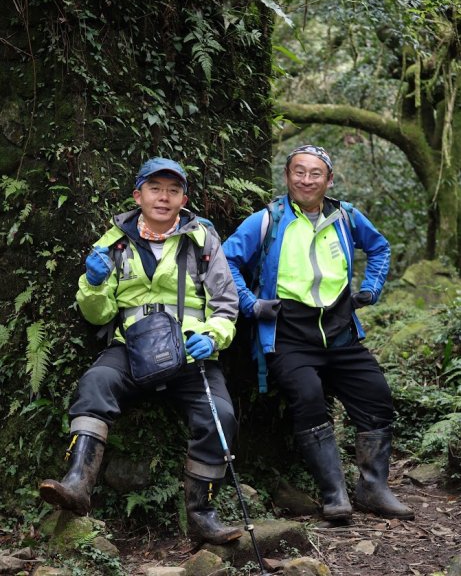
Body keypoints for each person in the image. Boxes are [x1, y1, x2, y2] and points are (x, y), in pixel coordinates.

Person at [39, 157, 243, 544]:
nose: (163, 198)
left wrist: (213, 336)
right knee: (97, 382)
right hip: (130, 346)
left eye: (173, 190)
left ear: (184, 198)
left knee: (221, 415)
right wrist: (95, 283)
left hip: (189, 349)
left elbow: (226, 304)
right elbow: (96, 313)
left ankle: (202, 515)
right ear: (138, 195)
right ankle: (78, 482)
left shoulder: (203, 240)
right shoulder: (113, 242)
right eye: (155, 189)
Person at [222, 144, 414, 523]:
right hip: (289, 333)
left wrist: (371, 288)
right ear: (287, 176)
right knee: (308, 397)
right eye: (298, 171)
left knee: (376, 397)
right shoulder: (268, 219)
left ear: (329, 179)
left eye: (315, 173)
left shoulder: (345, 216)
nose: (305, 180)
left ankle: (373, 488)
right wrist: (250, 304)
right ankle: (334, 495)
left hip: (340, 330)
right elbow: (226, 258)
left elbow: (379, 247)